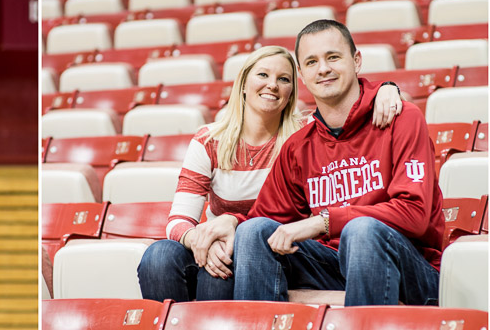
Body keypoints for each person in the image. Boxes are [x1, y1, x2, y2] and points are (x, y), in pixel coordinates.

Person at [195, 19, 444, 306]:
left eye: (333, 57)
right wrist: (231, 221)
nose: (323, 68)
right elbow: (263, 217)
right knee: (254, 234)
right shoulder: (298, 147)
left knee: (361, 231)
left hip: (411, 269)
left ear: (356, 61)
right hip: (332, 265)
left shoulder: (400, 118)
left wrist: (323, 222)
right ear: (301, 74)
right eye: (311, 62)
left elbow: (413, 214)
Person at [138, 45, 402, 301]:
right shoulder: (209, 140)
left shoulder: (307, 132)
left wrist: (386, 89)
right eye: (263, 75)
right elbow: (178, 221)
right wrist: (202, 241)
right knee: (158, 256)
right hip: (218, 241)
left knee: (219, 274)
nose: (272, 85)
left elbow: (349, 107)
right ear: (243, 83)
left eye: (283, 79)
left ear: (291, 92)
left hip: (273, 249)